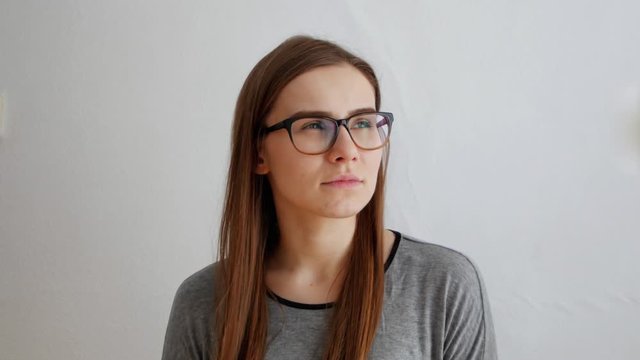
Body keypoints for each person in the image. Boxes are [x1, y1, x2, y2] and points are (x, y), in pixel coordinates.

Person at [161, 34, 498, 360]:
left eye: (363, 123)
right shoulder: (205, 302)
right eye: (314, 126)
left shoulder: (443, 285)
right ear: (258, 153)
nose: (347, 150)